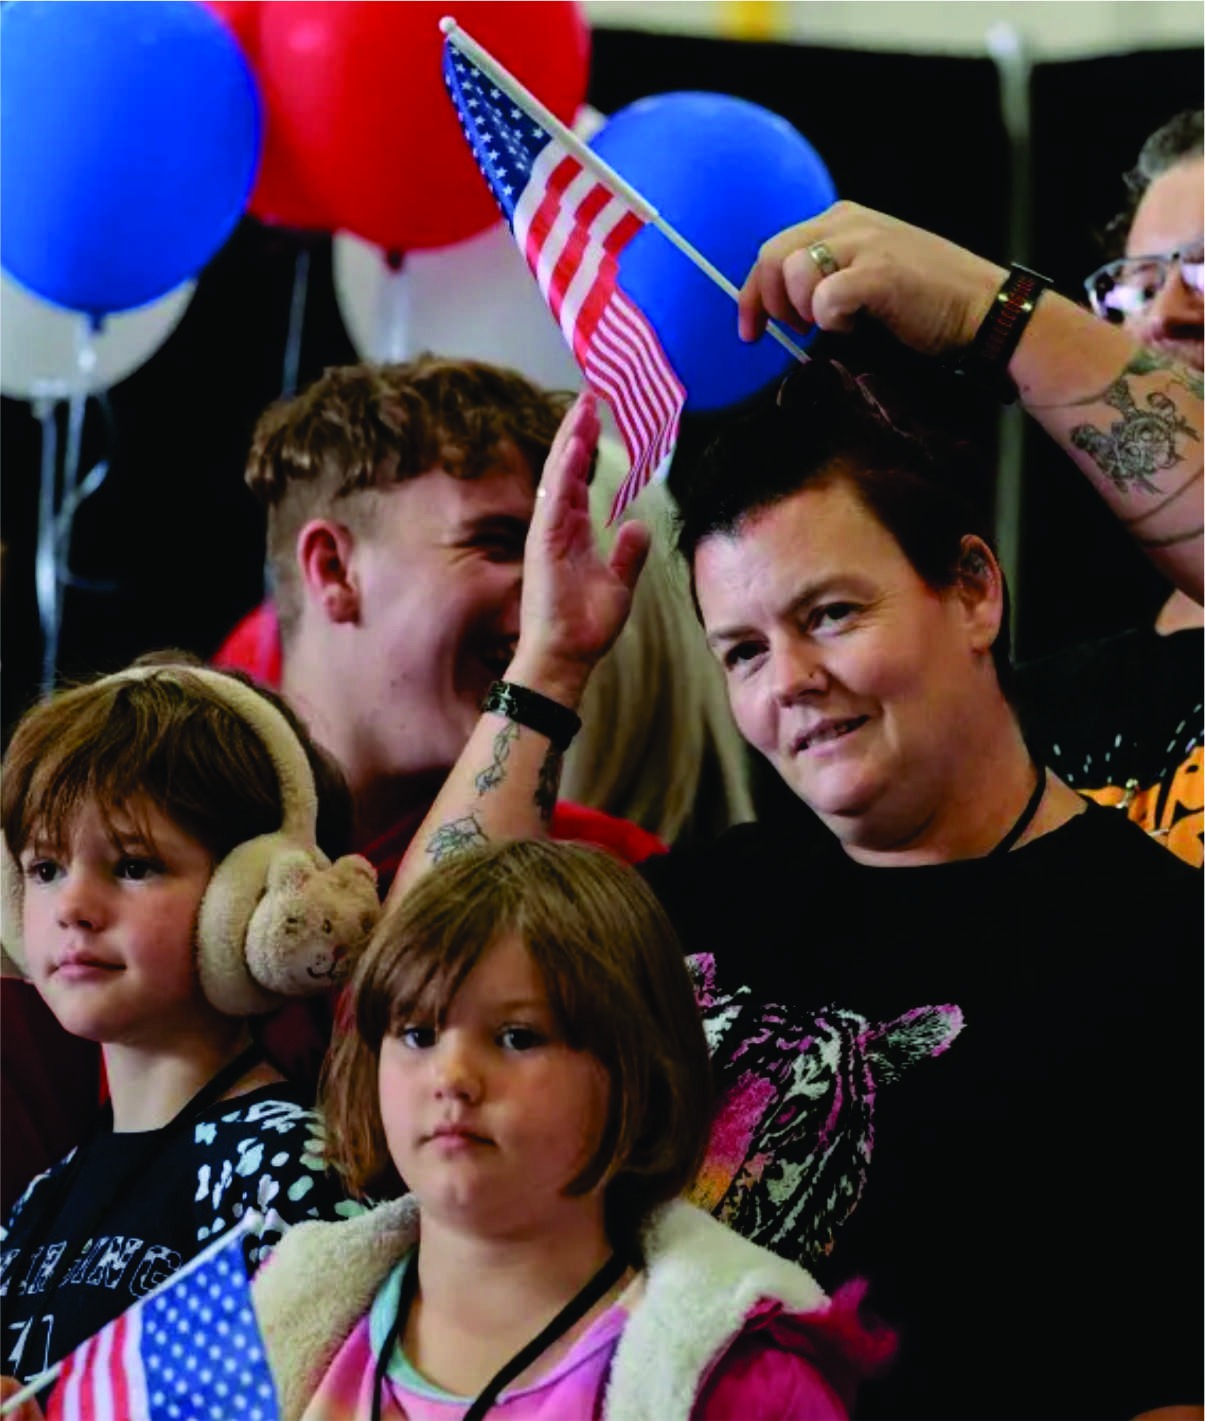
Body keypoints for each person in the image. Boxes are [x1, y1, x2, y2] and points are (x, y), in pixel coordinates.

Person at [386, 201, 1204, 1418]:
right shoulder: (703, 895)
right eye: (741, 651)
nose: (791, 687)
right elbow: (419, 980)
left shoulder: (1157, 945)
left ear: (972, 591)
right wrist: (549, 667)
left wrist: (995, 310)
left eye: (829, 614)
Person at [251, 840, 890, 1420]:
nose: (451, 1076)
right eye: (417, 1034)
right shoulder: (262, 1321)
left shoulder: (746, 1387)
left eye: (517, 1037)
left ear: (636, 1073)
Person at [0, 658, 372, 1391]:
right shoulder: (39, 1203)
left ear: (253, 898)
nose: (73, 904)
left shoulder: (285, 1167)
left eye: (133, 865)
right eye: (45, 868)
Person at [1018, 109, 1204, 865]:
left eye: (1202, 268)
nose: (1163, 314)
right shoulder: (1063, 687)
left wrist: (981, 312)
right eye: (1137, 284)